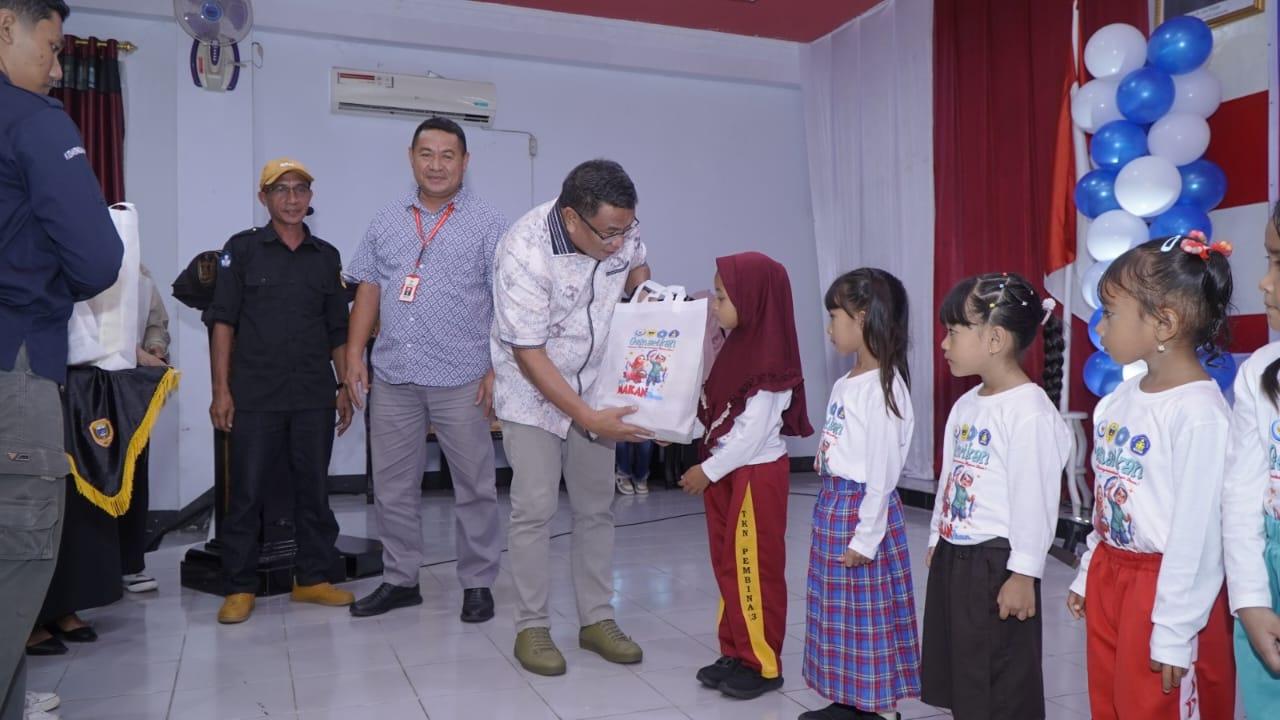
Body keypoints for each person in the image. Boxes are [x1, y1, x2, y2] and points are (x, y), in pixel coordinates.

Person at [0, 0, 123, 718]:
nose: (55, 68)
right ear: (5, 27)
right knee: (15, 559)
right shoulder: (36, 122)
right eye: (49, 47)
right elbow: (98, 257)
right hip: (16, 359)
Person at [344, 117, 508, 623]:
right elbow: (368, 288)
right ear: (411, 157)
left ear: (465, 162)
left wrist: (497, 367)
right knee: (393, 488)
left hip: (463, 378)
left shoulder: (489, 224)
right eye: (427, 154)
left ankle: (478, 582)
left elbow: (507, 301)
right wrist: (354, 353)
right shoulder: (386, 220)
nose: (436, 165)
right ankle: (400, 580)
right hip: (394, 375)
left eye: (447, 155)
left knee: (475, 487)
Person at [1066, 235, 1237, 719]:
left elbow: (1198, 538)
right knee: (1111, 703)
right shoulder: (1118, 400)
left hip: (1166, 591)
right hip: (1113, 573)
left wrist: (1174, 632)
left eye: (1109, 313)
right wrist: (1089, 570)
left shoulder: (1199, 414)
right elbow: (1109, 502)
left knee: (1155, 707)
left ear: (1164, 322)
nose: (1099, 327)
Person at [492, 159, 651, 676]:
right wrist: (586, 417)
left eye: (625, 229)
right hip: (532, 392)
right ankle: (532, 627)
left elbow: (638, 266)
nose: (618, 241)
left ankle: (597, 619)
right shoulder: (523, 250)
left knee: (596, 508)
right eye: (608, 233)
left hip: (596, 386)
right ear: (571, 218)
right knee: (535, 509)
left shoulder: (620, 229)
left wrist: (646, 304)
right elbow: (528, 353)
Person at [206, 158, 355, 624]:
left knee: (314, 490)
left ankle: (311, 578)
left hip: (313, 394)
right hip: (255, 395)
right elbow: (223, 323)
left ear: (310, 197)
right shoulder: (242, 250)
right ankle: (239, 586)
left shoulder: (326, 257)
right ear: (264, 198)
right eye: (281, 190)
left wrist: (344, 385)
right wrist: (220, 391)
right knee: (247, 493)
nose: (292, 198)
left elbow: (337, 330)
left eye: (300, 189)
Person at [921, 272, 1072, 720]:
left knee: (1001, 682)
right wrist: (937, 536)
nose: (944, 343)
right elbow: (951, 478)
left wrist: (1023, 574)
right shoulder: (967, 404)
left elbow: (1035, 502)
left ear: (995, 338)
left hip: (997, 564)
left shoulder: (1029, 412)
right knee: (966, 676)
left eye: (953, 331)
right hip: (957, 558)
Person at [684, 252, 813, 700]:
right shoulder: (734, 348)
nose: (715, 304)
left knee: (752, 567)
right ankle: (736, 651)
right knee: (727, 565)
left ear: (753, 299)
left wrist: (707, 470)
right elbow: (715, 415)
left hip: (754, 475)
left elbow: (751, 434)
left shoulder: (770, 360)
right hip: (726, 472)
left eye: (723, 296)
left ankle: (762, 662)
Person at [801, 269, 920, 720]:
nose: (830, 328)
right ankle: (848, 698)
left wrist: (866, 538)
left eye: (835, 316)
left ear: (864, 317)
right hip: (834, 505)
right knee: (837, 613)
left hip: (860, 510)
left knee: (868, 615)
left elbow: (882, 477)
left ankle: (880, 709)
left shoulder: (884, 389)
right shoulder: (847, 381)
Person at [1225, 203, 1280, 717]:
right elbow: (1242, 498)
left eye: (1279, 262)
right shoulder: (1261, 372)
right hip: (1269, 575)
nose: (1264, 282)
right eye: (1269, 260)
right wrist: (1251, 600)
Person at [121, 264, 170, 593]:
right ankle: (96, 572)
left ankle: (130, 564)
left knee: (134, 474)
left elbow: (156, 321)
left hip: (133, 387)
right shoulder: (82, 260)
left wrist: (155, 347)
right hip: (90, 385)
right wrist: (135, 353)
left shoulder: (139, 268)